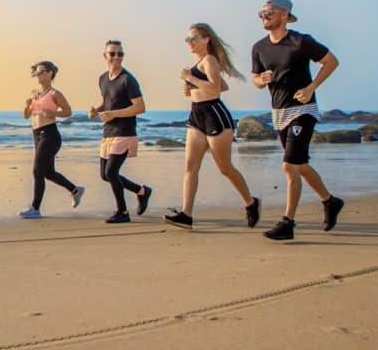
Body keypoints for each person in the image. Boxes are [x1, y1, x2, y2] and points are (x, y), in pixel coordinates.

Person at [251, 0, 344, 241]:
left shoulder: (301, 41)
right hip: (279, 113)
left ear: (284, 15)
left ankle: (288, 222)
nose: (264, 16)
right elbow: (256, 80)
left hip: (303, 111)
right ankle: (330, 201)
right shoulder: (259, 47)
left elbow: (331, 61)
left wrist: (312, 87)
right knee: (299, 165)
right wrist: (262, 80)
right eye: (261, 13)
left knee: (289, 165)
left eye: (269, 12)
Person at [164, 24, 260, 230]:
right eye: (187, 39)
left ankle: (251, 203)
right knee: (190, 166)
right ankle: (186, 214)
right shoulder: (199, 63)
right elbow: (222, 85)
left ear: (206, 39)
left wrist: (189, 78)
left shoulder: (209, 60)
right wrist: (192, 89)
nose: (190, 43)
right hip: (196, 115)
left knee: (224, 168)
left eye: (194, 38)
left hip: (215, 116)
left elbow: (215, 89)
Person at [89, 40, 152, 223]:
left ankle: (123, 212)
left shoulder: (128, 79)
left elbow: (140, 107)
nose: (116, 57)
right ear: (105, 56)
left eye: (120, 54)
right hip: (108, 133)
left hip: (125, 132)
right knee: (105, 175)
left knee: (111, 173)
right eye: (113, 54)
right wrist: (97, 110)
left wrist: (113, 114)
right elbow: (107, 101)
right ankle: (142, 191)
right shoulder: (102, 78)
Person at [19, 60, 84, 219]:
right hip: (37, 134)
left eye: (41, 72)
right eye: (37, 73)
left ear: (50, 73)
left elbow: (68, 111)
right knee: (49, 173)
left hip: (50, 135)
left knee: (37, 171)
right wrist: (27, 106)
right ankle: (75, 190)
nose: (38, 75)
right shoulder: (34, 93)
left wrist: (54, 114)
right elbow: (27, 116)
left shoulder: (54, 93)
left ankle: (35, 208)